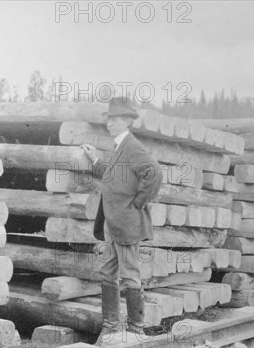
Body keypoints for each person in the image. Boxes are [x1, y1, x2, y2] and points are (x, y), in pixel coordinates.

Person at [81, 97, 163, 345]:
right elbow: (113, 176)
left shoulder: (132, 146)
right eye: (110, 120)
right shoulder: (120, 147)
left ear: (127, 121)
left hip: (126, 225)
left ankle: (136, 329)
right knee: (108, 272)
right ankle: (110, 327)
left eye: (116, 120)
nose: (111, 124)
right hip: (114, 225)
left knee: (130, 275)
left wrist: (137, 204)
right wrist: (94, 160)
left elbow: (155, 173)